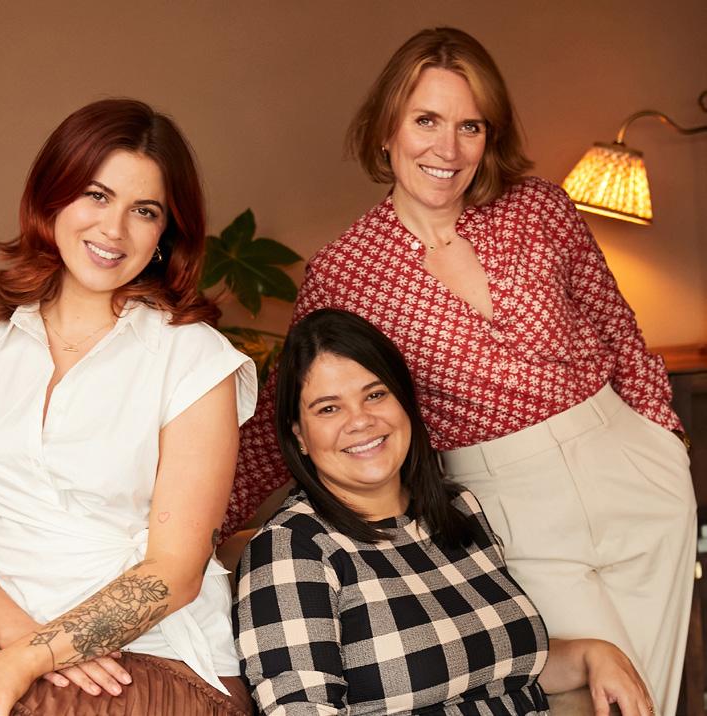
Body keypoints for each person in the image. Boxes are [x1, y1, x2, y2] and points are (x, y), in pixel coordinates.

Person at [226, 28, 695, 715]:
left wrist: (664, 440)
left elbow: (617, 328)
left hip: (633, 469)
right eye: (426, 121)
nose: (447, 149)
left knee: (653, 698)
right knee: (585, 698)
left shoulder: (540, 208)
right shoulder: (345, 271)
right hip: (507, 505)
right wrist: (191, 527)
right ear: (386, 130)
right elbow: (287, 414)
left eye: (469, 126)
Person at [0, 99, 257, 716]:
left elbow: (173, 571)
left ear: (165, 233)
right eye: (96, 196)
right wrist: (28, 648)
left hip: (159, 659)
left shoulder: (194, 358)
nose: (113, 230)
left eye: (144, 210)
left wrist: (30, 659)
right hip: (13, 666)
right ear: (52, 198)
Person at [234, 308, 652, 715]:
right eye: (329, 408)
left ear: (404, 402)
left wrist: (592, 655)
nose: (360, 421)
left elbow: (506, 669)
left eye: (375, 395)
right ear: (299, 435)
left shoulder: (455, 509)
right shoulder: (291, 549)